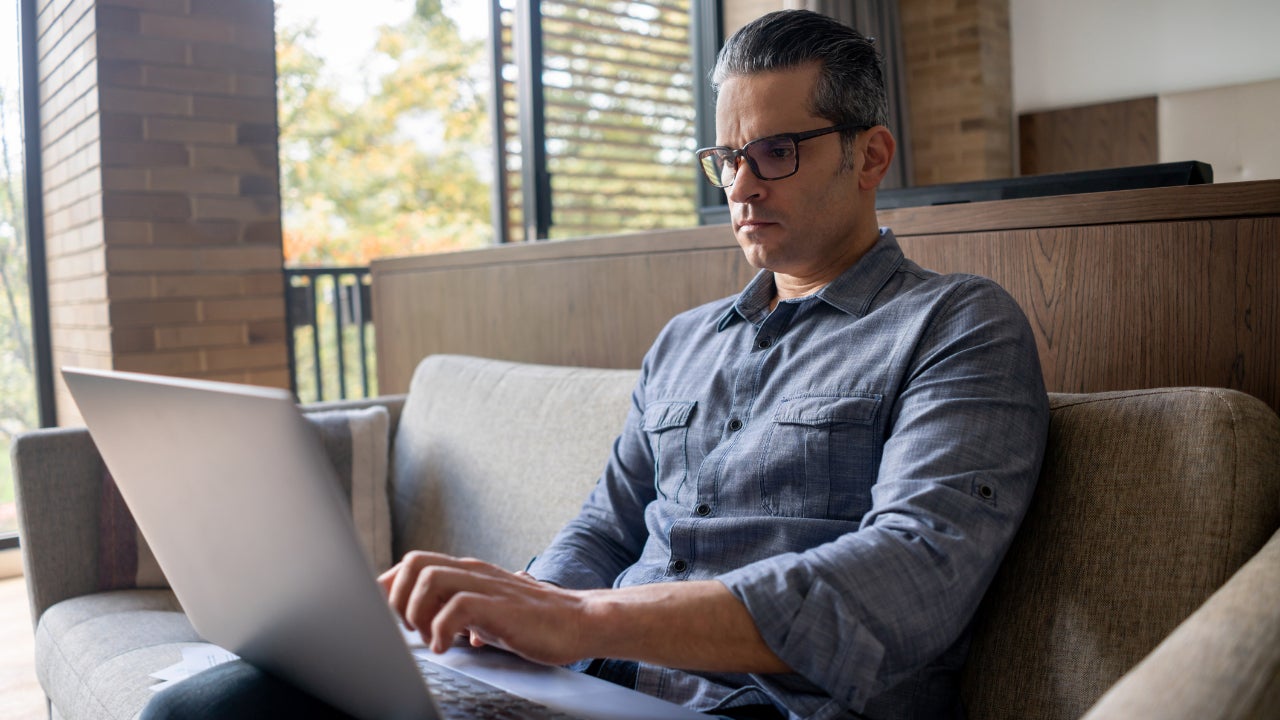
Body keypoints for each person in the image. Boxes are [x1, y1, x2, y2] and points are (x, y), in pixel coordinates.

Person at [145, 9, 1048, 720]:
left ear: (871, 156)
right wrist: (507, 607)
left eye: (775, 151)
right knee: (206, 704)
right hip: (587, 683)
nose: (740, 186)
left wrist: (573, 621)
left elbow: (913, 574)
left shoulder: (956, 326)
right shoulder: (686, 341)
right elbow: (608, 532)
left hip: (757, 706)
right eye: (728, 158)